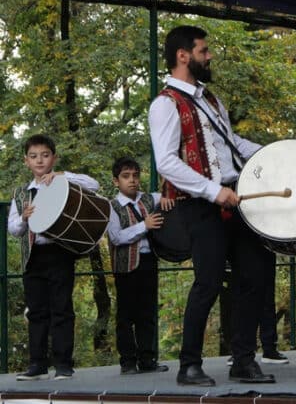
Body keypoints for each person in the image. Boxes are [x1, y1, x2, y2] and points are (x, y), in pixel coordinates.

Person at [148, 25, 275, 386]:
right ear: (183, 56)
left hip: (235, 197)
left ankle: (243, 361)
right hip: (200, 205)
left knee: (255, 275)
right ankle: (189, 365)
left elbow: (233, 144)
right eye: (204, 51)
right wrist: (212, 191)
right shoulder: (165, 104)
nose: (210, 56)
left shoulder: (211, 100)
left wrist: (279, 153)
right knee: (208, 282)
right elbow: (166, 162)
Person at [8, 134, 100, 380]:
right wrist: (24, 218)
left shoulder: (63, 182)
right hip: (33, 257)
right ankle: (37, 365)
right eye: (34, 156)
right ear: (26, 161)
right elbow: (14, 229)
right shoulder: (21, 193)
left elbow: (94, 185)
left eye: (45, 155)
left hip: (59, 253)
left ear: (54, 158)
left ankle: (63, 365)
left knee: (62, 309)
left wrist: (62, 176)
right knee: (36, 311)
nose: (40, 160)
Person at [107, 156, 174, 375]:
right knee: (126, 315)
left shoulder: (149, 198)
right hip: (125, 266)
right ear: (116, 181)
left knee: (147, 312)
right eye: (126, 176)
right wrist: (144, 226)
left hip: (148, 260)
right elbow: (116, 237)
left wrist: (167, 197)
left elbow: (169, 196)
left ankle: (148, 359)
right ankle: (127, 361)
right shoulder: (112, 207)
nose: (132, 180)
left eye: (135, 175)